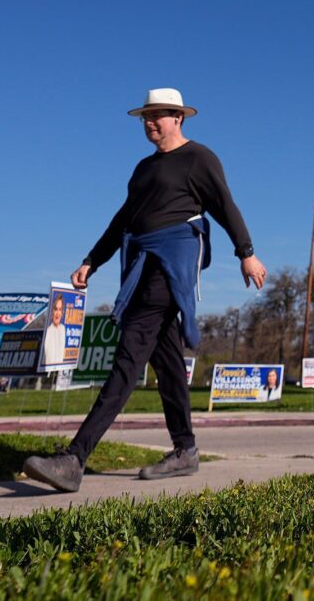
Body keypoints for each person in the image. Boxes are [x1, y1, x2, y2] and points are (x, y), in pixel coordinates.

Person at [24, 88, 266, 492]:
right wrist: (91, 260)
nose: (151, 123)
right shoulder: (142, 169)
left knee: (128, 356)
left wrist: (247, 253)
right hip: (139, 263)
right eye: (146, 117)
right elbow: (124, 219)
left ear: (179, 118)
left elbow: (225, 205)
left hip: (169, 266)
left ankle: (74, 458)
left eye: (159, 116)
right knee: (166, 361)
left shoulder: (199, 158)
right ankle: (185, 450)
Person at [41, 294, 67, 367]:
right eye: (55, 309)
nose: (57, 313)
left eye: (60, 309)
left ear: (62, 312)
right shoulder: (48, 331)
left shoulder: (63, 329)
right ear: (51, 311)